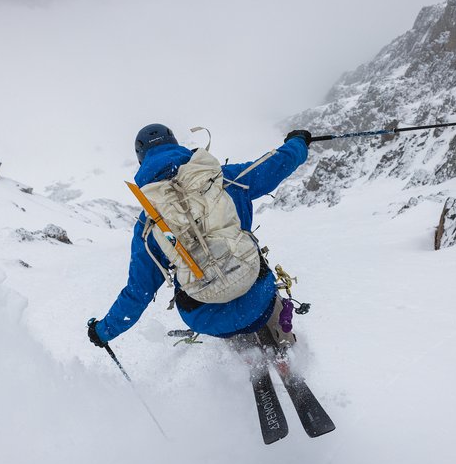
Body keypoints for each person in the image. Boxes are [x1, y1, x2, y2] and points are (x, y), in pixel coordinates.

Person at [87, 123, 312, 354]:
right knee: (255, 283)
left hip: (205, 317)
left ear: (141, 161)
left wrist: (103, 331)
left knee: (212, 307)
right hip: (256, 297)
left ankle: (247, 355)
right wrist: (298, 141)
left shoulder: (148, 223)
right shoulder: (223, 179)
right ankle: (285, 352)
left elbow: (137, 294)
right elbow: (276, 164)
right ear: (176, 145)